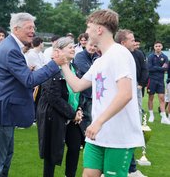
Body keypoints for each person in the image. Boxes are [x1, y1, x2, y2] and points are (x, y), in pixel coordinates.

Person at [61, 9, 144, 177]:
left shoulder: (119, 54)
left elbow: (125, 94)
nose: (87, 31)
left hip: (119, 136)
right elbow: (77, 85)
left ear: (99, 29)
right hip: (97, 135)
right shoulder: (100, 60)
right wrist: (63, 64)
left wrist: (98, 122)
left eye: (89, 26)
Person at [0, 12, 66, 177]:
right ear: (16, 28)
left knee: (5, 157)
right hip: (3, 111)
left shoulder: (10, 46)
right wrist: (54, 64)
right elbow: (29, 80)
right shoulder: (11, 49)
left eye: (33, 27)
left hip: (5, 111)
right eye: (29, 28)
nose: (33, 31)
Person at [37, 37, 83, 177]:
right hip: (54, 116)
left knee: (75, 147)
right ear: (59, 51)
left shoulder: (75, 68)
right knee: (52, 152)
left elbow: (78, 91)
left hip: (73, 116)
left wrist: (79, 110)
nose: (73, 49)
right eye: (69, 47)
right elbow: (53, 98)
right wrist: (72, 114)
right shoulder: (51, 69)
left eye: (74, 46)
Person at [115, 29, 148, 177]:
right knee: (123, 130)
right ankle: (129, 168)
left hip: (134, 93)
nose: (134, 42)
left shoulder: (137, 55)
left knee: (132, 127)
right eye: (132, 39)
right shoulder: (117, 57)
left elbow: (145, 70)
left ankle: (131, 168)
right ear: (123, 42)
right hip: (121, 98)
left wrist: (140, 84)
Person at [73, 38, 99, 133]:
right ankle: (84, 139)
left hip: (93, 94)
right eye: (90, 45)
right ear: (86, 45)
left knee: (92, 117)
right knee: (85, 117)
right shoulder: (80, 56)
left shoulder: (97, 57)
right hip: (83, 93)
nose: (92, 48)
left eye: (95, 46)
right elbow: (90, 73)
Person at [147, 41, 170, 124]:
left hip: (160, 80)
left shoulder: (165, 57)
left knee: (162, 98)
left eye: (159, 46)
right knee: (151, 98)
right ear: (154, 47)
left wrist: (156, 68)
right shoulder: (150, 56)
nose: (158, 47)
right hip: (152, 79)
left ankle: (163, 117)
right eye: (156, 46)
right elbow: (149, 68)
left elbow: (166, 68)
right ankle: (151, 115)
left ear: (162, 47)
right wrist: (160, 68)